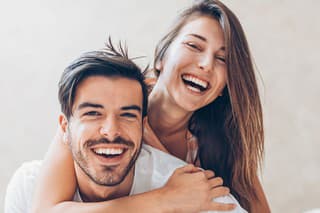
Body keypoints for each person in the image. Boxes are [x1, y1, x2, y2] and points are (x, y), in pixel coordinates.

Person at [31, 0, 270, 212]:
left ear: (225, 87)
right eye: (194, 46)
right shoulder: (106, 109)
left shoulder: (222, 141)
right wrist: (164, 199)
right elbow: (44, 209)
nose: (206, 64)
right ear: (161, 58)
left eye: (222, 59)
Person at [5, 40, 245, 213]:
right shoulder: (29, 186)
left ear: (143, 125)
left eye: (127, 115)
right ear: (64, 128)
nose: (110, 130)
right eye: (93, 113)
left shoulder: (194, 194)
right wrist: (161, 201)